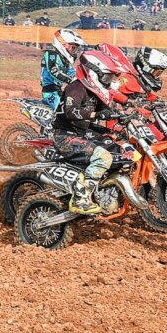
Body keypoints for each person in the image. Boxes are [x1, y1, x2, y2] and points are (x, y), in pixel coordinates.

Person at [51, 50, 125, 214]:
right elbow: (71, 112)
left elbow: (110, 111)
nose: (108, 82)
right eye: (106, 77)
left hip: (82, 133)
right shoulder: (76, 88)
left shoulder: (94, 92)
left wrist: (125, 118)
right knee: (103, 157)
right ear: (93, 72)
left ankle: (105, 192)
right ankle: (80, 199)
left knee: (119, 149)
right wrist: (96, 114)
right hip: (65, 136)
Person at [40, 28, 87, 108]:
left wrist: (83, 79)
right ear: (63, 44)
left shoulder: (64, 59)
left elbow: (71, 72)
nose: (74, 51)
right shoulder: (51, 53)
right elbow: (54, 71)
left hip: (59, 90)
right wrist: (70, 80)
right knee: (64, 109)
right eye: (73, 48)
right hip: (50, 91)